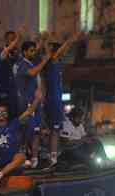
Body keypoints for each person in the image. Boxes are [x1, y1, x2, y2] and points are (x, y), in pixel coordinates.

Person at [41, 33, 80, 166]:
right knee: (50, 129)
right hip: (51, 100)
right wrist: (69, 41)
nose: (61, 54)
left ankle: (53, 156)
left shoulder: (57, 65)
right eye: (56, 50)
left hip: (56, 100)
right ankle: (49, 156)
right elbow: (57, 53)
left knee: (55, 130)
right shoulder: (50, 62)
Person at [13, 41, 51, 167]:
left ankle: (34, 159)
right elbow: (32, 73)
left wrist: (42, 39)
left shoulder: (30, 63)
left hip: (36, 103)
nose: (34, 53)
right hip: (26, 103)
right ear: (24, 52)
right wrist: (45, 60)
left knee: (36, 131)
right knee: (25, 131)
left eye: (34, 50)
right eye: (31, 51)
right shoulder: (22, 64)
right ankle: (22, 158)